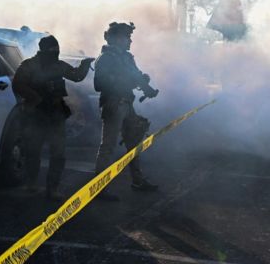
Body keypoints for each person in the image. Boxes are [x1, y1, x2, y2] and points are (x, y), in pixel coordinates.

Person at [12, 35, 93, 201]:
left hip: (55, 114)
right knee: (32, 151)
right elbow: (18, 84)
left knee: (58, 153)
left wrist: (85, 65)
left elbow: (76, 76)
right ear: (43, 50)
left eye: (56, 50)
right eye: (51, 49)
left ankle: (52, 188)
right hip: (35, 114)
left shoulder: (58, 65)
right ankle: (31, 183)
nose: (55, 52)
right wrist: (36, 98)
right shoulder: (29, 65)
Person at [93, 22, 159, 201]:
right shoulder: (106, 58)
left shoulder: (127, 58)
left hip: (127, 104)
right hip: (113, 104)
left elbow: (135, 75)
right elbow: (99, 84)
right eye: (127, 37)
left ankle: (138, 180)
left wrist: (147, 88)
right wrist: (127, 82)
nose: (130, 41)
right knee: (108, 146)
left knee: (134, 144)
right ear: (116, 38)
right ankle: (99, 188)